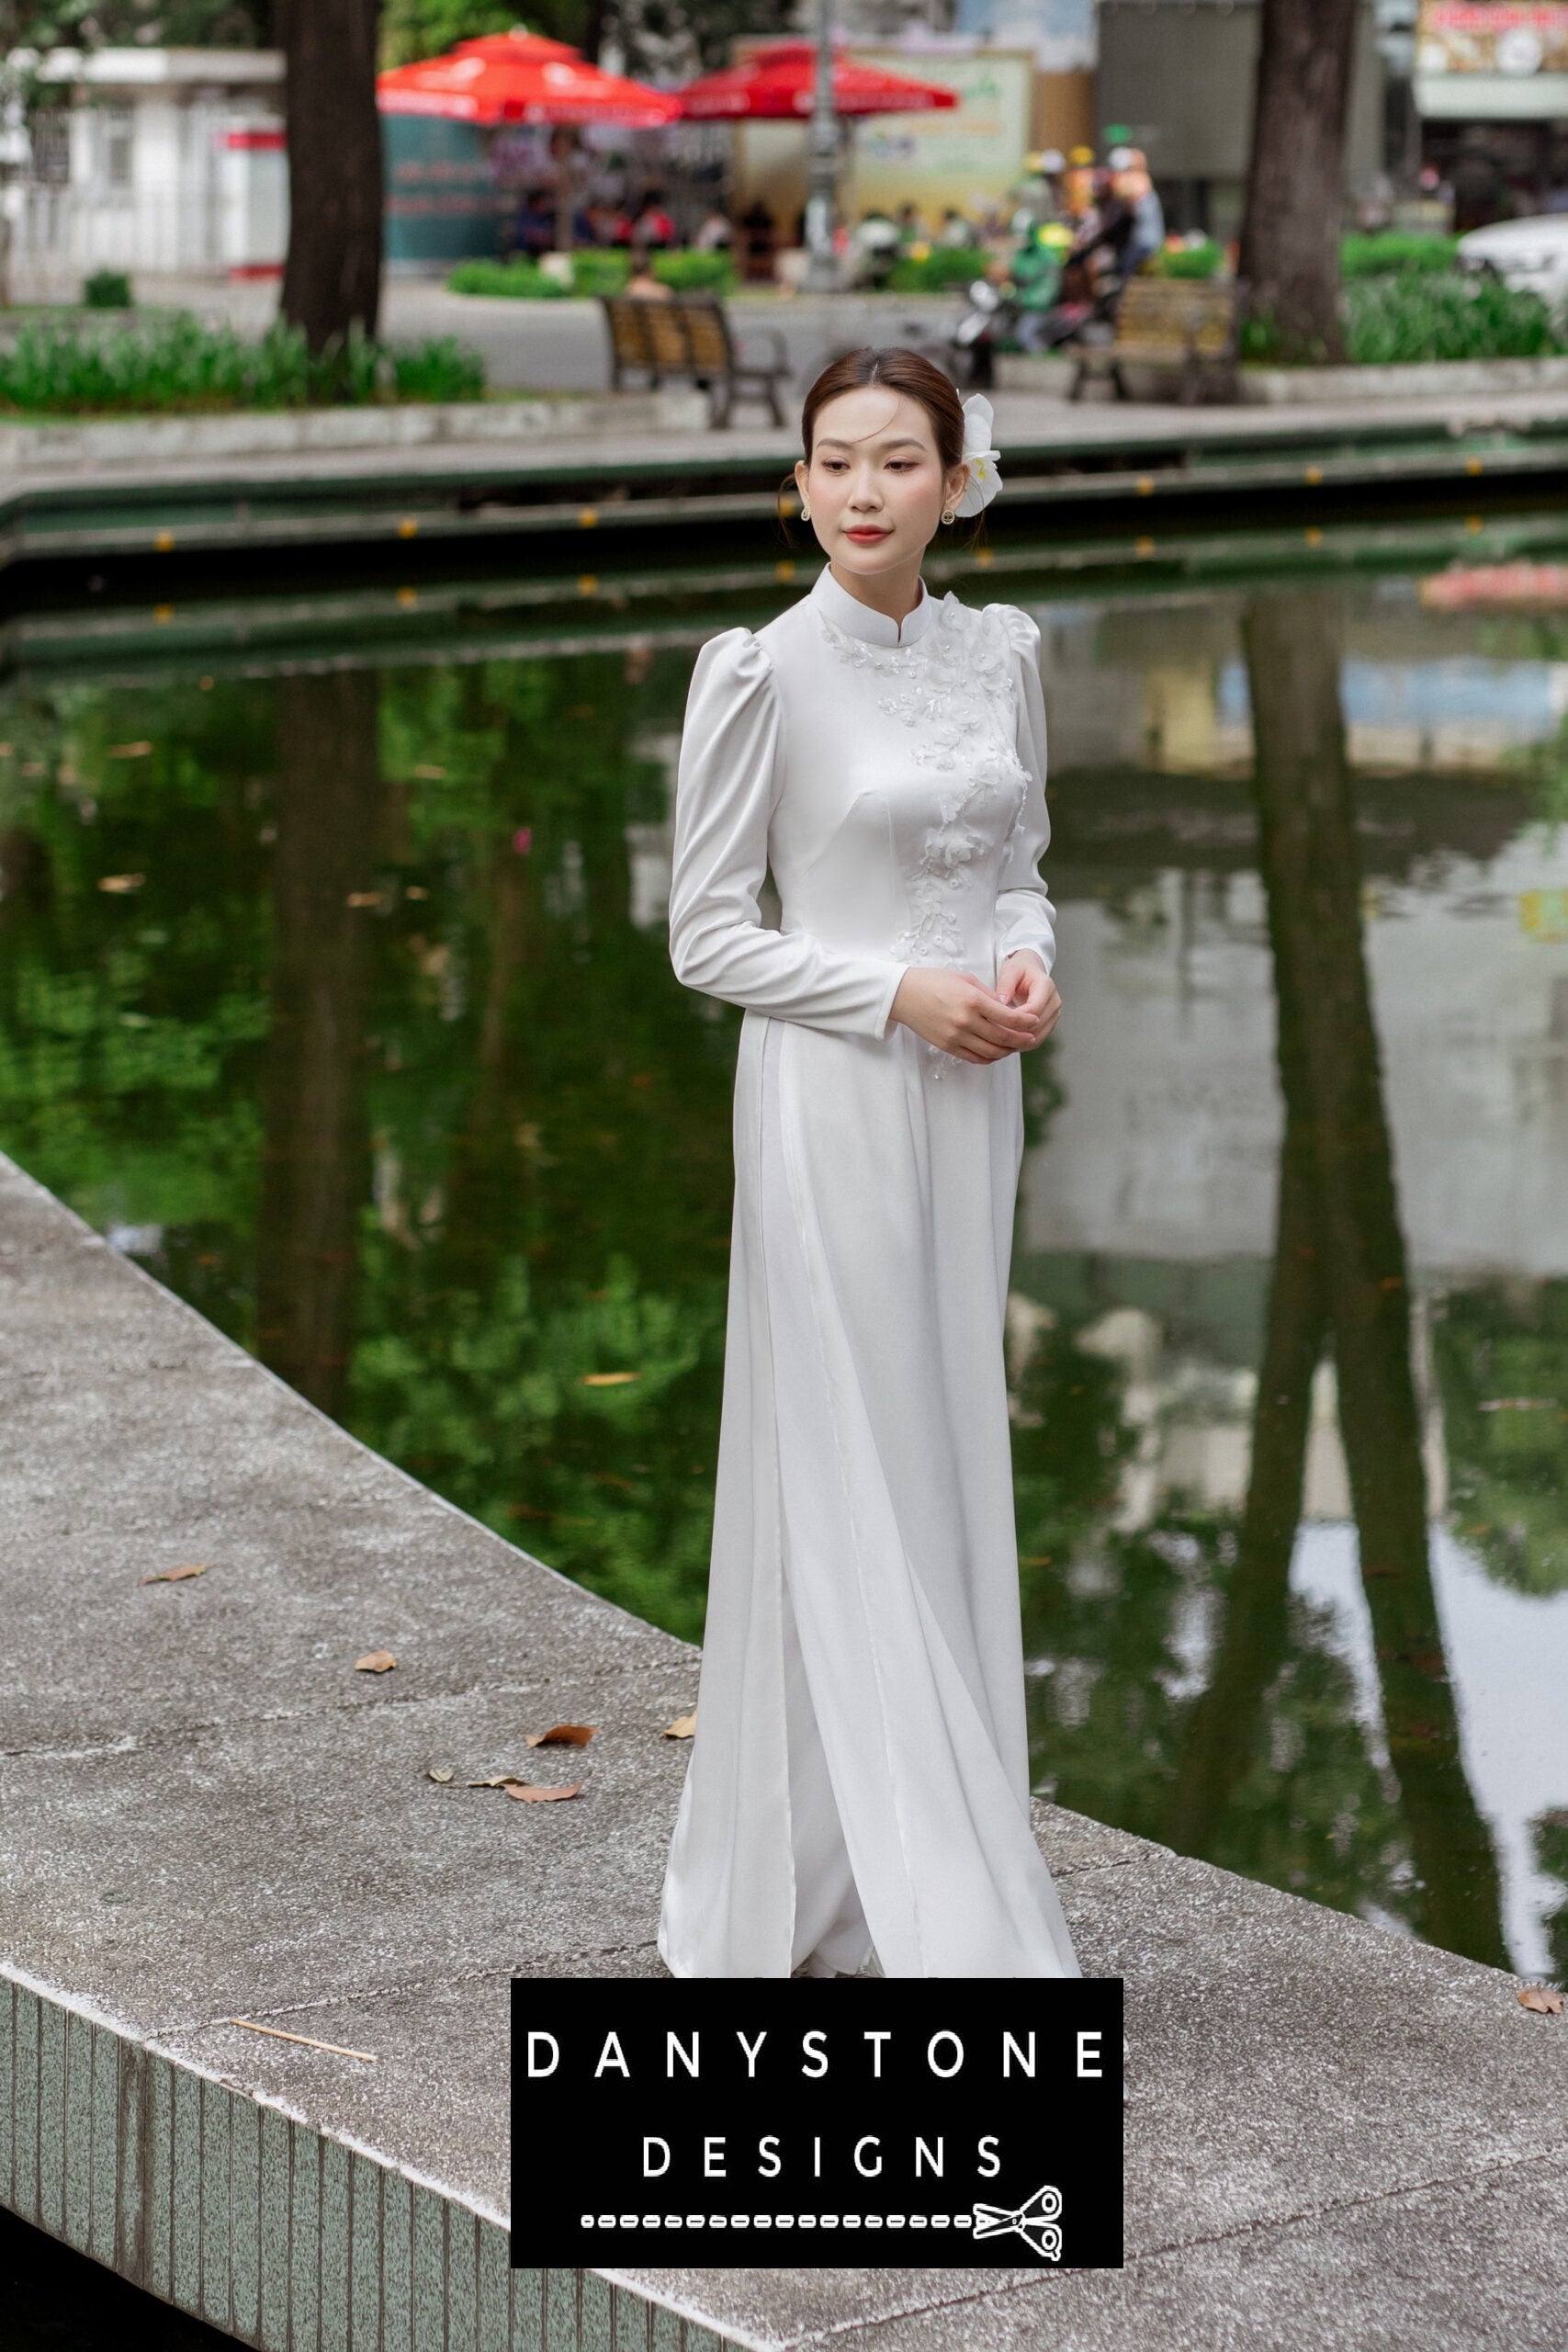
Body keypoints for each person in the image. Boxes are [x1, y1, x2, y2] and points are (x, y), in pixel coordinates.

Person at [657, 345, 1081, 1982]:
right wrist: (893, 991)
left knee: (945, 1441)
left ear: (955, 479)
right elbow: (706, 937)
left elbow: (1023, 861)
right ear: (799, 483)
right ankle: (853, 1884)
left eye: (896, 461)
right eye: (831, 461)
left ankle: (920, 1830)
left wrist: (1030, 961)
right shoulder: (760, 673)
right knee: (849, 1451)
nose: (858, 492)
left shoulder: (1006, 655)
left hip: (976, 1096)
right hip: (833, 1092)